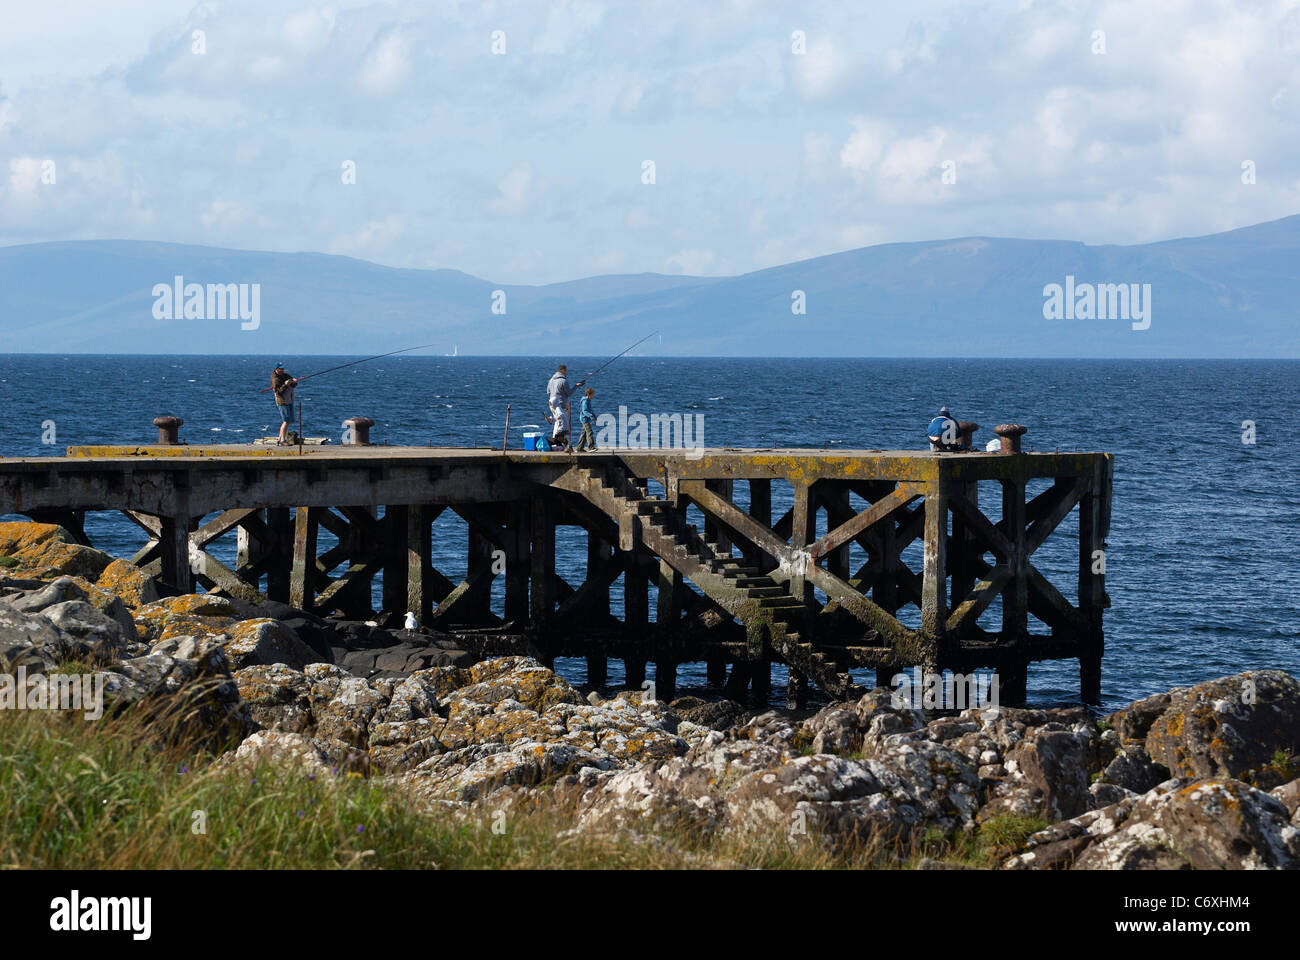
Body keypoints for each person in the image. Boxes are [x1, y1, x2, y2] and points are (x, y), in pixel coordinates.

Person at [546, 363, 584, 452]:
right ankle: (559, 444)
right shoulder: (563, 381)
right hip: (561, 405)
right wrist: (576, 386)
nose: (567, 373)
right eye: (566, 371)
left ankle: (556, 443)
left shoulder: (551, 380)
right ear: (563, 370)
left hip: (551, 404)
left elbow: (548, 392)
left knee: (557, 422)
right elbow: (569, 393)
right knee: (562, 423)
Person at [271, 362, 299, 445]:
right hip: (282, 401)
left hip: (289, 400)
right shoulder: (275, 379)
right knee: (286, 420)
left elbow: (293, 383)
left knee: (289, 421)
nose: (283, 370)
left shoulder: (285, 375)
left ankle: (280, 440)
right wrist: (285, 385)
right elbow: (278, 392)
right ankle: (282, 440)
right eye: (281, 369)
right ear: (276, 369)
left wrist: (294, 381)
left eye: (283, 369)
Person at [575, 387, 597, 452]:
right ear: (588, 394)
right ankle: (591, 447)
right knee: (589, 432)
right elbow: (585, 411)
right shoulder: (585, 401)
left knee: (584, 434)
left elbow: (590, 410)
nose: (594, 396)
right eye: (593, 394)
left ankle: (579, 448)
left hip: (586, 419)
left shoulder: (588, 401)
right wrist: (592, 417)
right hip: (585, 419)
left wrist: (594, 416)